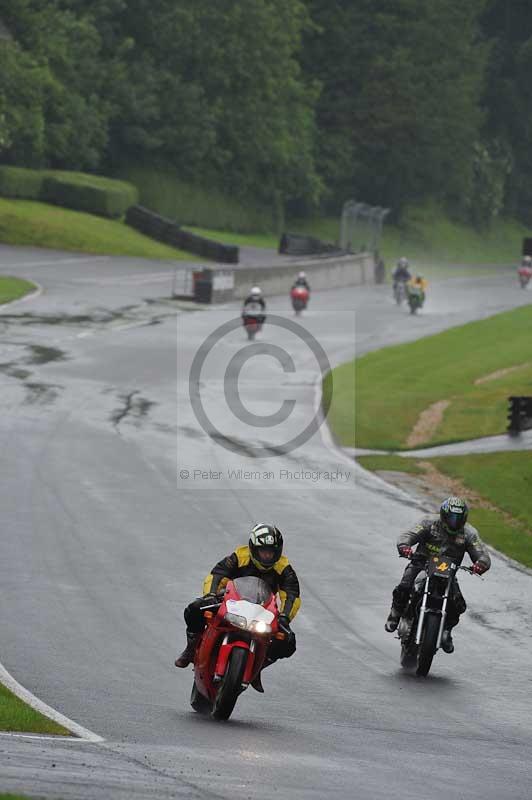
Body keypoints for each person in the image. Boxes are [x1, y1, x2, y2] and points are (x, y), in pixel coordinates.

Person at [175, 524, 300, 691]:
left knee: (287, 641)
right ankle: (190, 648)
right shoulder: (240, 556)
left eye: (271, 552)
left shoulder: (284, 568)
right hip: (230, 603)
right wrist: (210, 594)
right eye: (263, 551)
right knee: (194, 609)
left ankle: (259, 665)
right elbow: (217, 575)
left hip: (262, 612)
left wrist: (285, 616)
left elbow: (292, 595)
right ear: (253, 548)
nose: (267, 556)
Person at [384, 497, 491, 653]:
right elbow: (408, 534)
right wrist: (405, 546)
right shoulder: (429, 522)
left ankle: (446, 630)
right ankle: (395, 613)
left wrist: (480, 564)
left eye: (459, 519)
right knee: (405, 584)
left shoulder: (469, 533)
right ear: (444, 515)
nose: (455, 522)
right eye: (452, 518)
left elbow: (482, 553)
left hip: (448, 572)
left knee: (459, 603)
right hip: (421, 563)